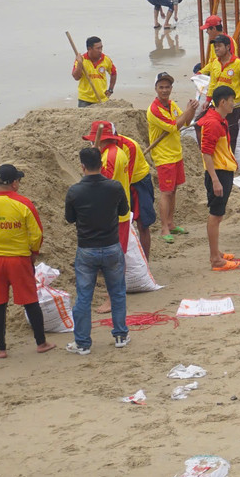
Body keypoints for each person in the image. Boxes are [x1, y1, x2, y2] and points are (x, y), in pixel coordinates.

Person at [0, 164, 52, 359]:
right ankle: (41, 343)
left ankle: (0, 349)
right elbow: (36, 233)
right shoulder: (24, 204)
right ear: (14, 183)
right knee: (30, 301)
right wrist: (34, 253)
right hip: (19, 259)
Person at [64, 147, 130, 354]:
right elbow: (124, 211)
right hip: (111, 245)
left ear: (82, 166)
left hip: (87, 249)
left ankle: (83, 342)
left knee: (84, 296)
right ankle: (120, 334)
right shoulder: (114, 187)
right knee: (117, 292)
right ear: (101, 165)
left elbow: (70, 218)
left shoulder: (74, 191)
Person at [83, 119, 154, 260]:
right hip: (121, 182)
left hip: (139, 181)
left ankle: (145, 260)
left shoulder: (128, 147)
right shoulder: (106, 152)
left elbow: (123, 180)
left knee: (143, 223)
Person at [197, 85, 240, 271]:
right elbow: (206, 153)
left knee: (219, 214)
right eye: (232, 100)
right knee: (215, 215)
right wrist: (215, 180)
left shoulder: (219, 120)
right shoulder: (213, 123)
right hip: (218, 172)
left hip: (223, 170)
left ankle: (216, 253)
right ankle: (215, 259)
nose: (234, 104)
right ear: (223, 102)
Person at [147, 72, 197, 244]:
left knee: (174, 190)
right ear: (156, 89)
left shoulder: (171, 104)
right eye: (161, 87)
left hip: (176, 153)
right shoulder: (154, 109)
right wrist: (187, 113)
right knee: (166, 192)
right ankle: (164, 228)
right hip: (163, 156)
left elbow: (186, 122)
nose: (165, 90)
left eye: (167, 87)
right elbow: (173, 126)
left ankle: (171, 222)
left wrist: (193, 110)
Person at [200, 33, 240, 147]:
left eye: (219, 46)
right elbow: (212, 83)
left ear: (228, 47)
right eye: (215, 46)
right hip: (217, 107)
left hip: (233, 106)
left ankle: (231, 160)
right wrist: (208, 100)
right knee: (215, 132)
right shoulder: (215, 64)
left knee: (232, 135)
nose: (216, 49)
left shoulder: (238, 63)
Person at [72, 36, 116, 107]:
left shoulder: (106, 59)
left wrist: (110, 89)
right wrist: (80, 63)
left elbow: (113, 73)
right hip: (85, 100)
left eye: (101, 47)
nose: (100, 50)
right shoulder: (82, 59)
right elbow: (76, 77)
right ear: (89, 49)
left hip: (102, 99)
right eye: (98, 48)